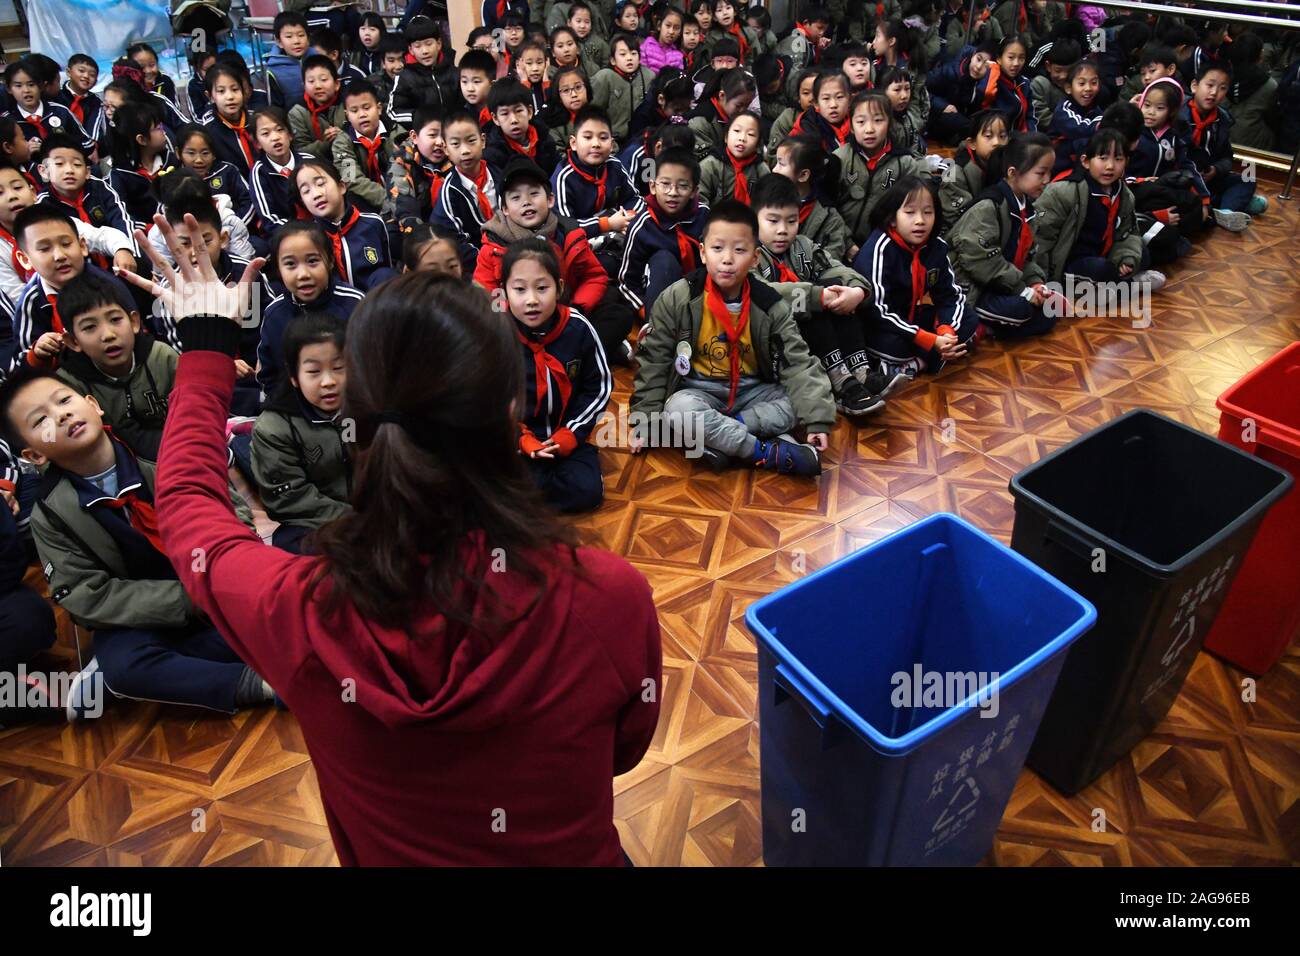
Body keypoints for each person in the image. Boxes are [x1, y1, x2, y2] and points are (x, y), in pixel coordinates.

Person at [123, 211, 661, 866]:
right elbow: (622, 751)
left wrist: (206, 349)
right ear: (511, 410)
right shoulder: (610, 595)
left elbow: (186, 510)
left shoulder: (295, 607)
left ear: (356, 416)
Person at [0, 363, 272, 720]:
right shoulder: (51, 513)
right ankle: (256, 685)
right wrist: (185, 601)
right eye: (41, 421)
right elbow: (85, 594)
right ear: (35, 456)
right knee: (124, 664)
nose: (61, 415)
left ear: (93, 404)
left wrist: (218, 577)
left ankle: (193, 658)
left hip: (212, 585)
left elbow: (230, 509)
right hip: (145, 615)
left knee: (267, 605)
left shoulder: (161, 453)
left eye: (64, 400)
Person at [632, 198, 834, 475]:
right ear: (702, 253)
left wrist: (818, 420)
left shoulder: (770, 304)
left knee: (795, 403)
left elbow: (797, 362)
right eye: (717, 248)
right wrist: (644, 421)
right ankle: (765, 452)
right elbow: (655, 361)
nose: (727, 259)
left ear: (755, 258)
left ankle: (721, 442)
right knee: (677, 410)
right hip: (699, 391)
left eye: (739, 250)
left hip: (753, 393)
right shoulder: (679, 297)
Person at [505, 239, 611, 513]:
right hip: (517, 438)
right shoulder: (495, 333)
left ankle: (529, 496)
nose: (531, 300)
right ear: (504, 292)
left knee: (587, 492)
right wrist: (520, 437)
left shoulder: (578, 328)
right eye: (519, 289)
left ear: (560, 289)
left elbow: (598, 388)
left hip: (566, 436)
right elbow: (487, 397)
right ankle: (529, 489)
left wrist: (571, 434)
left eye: (542, 288)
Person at [853, 175, 973, 382]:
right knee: (893, 346)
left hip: (911, 317)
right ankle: (929, 359)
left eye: (928, 212)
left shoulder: (936, 246)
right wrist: (927, 339)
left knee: (969, 318)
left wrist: (946, 331)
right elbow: (878, 311)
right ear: (892, 218)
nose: (920, 220)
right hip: (881, 324)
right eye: (909, 213)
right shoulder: (879, 249)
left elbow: (952, 296)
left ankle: (919, 362)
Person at [251, 312, 352, 553]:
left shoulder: (366, 406)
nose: (328, 381)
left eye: (338, 367)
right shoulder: (274, 428)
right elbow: (290, 499)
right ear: (294, 377)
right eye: (314, 372)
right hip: (313, 522)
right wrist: (354, 520)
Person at [947, 133, 1060, 340]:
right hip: (973, 288)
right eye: (1040, 173)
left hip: (1002, 282)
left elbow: (1027, 257)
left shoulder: (1027, 207)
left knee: (1049, 313)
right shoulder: (988, 208)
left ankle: (993, 328)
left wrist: (1035, 283)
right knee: (1021, 309)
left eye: (1049, 172)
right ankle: (976, 322)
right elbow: (981, 262)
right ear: (1012, 173)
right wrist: (1021, 289)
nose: (1047, 180)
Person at [54, 271, 177, 460]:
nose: (108, 335)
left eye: (115, 320)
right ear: (73, 341)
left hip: (179, 449)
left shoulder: (163, 358)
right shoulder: (70, 386)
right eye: (89, 327)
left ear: (134, 322)